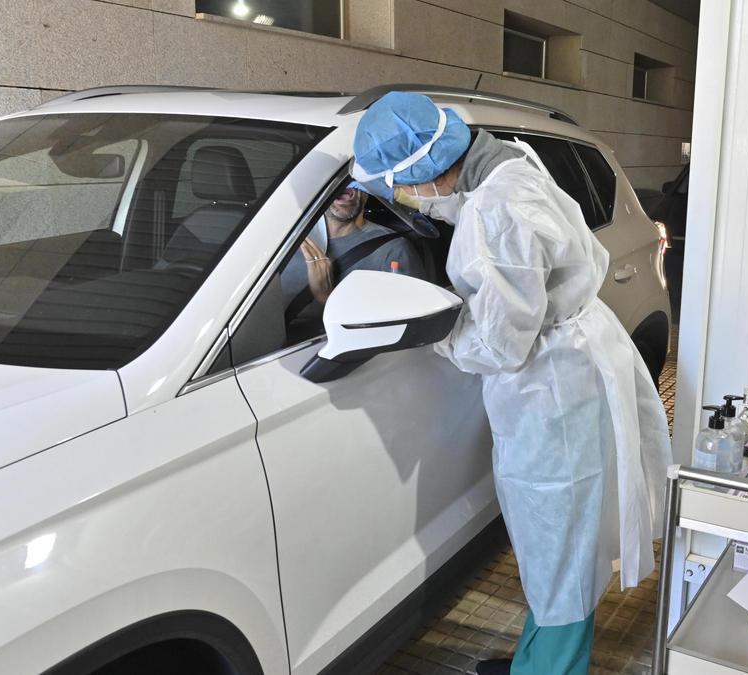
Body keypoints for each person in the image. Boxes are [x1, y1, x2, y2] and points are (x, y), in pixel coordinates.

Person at [350, 91, 672, 675]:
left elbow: (499, 343)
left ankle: (552, 667)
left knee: (559, 542)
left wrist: (434, 331)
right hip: (567, 362)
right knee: (559, 541)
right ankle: (537, 656)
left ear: (423, 168)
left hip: (550, 384)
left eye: (399, 186)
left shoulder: (495, 213)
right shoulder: (505, 161)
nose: (403, 200)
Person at [280, 182, 423, 306]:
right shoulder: (287, 241)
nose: (345, 186)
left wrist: (325, 296)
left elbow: (402, 322)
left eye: (355, 180)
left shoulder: (393, 249)